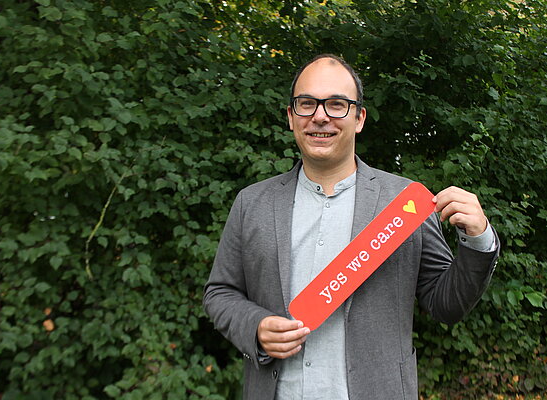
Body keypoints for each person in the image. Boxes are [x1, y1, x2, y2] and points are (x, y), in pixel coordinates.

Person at [203, 54, 499, 400]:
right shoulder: (252, 203)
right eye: (306, 104)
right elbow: (219, 293)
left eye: (336, 104)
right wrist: (255, 327)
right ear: (290, 117)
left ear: (359, 118)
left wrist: (477, 240)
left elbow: (446, 304)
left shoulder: (405, 202)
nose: (320, 116)